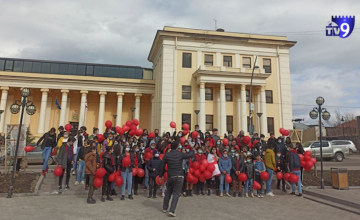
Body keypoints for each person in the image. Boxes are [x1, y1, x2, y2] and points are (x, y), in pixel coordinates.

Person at [158, 141, 194, 217]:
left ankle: (165, 208)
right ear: (177, 147)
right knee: (176, 194)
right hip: (179, 175)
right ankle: (172, 210)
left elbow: (162, 166)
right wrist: (193, 150)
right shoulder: (180, 154)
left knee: (168, 192)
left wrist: (160, 176)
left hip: (171, 175)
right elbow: (189, 155)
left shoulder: (167, 155)